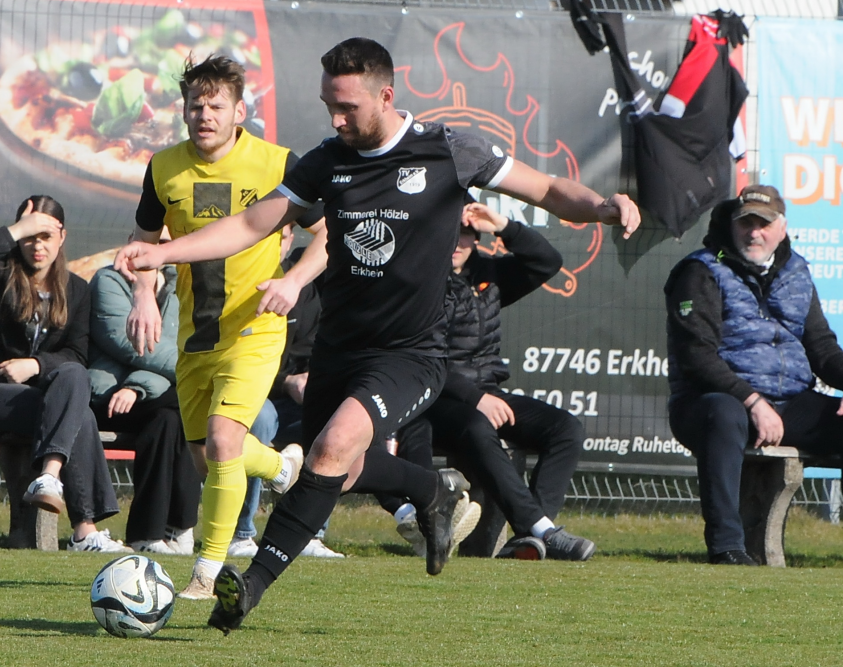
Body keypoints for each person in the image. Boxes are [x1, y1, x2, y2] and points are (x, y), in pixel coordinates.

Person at [115, 37, 639, 632]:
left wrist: (601, 206)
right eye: (328, 107)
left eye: (348, 108)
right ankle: (431, 491)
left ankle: (246, 589)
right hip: (340, 346)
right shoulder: (326, 159)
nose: (336, 120)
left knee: (331, 450)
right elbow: (251, 223)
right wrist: (162, 254)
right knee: (334, 469)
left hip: (412, 353)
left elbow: (544, 189)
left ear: (385, 96)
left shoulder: (449, 149)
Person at [123, 54, 320, 599]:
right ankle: (280, 467)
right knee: (208, 459)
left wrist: (294, 280)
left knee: (224, 439)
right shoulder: (164, 167)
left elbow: (328, 234)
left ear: (239, 111)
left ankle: (206, 573)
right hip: (196, 335)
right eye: (195, 105)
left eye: (215, 106)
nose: (204, 115)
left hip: (256, 328)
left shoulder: (278, 163)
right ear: (183, 110)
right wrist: (144, 296)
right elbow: (144, 244)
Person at [390, 200, 595, 562]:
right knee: (478, 424)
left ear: (477, 238)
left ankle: (531, 535)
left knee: (566, 429)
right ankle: (541, 529)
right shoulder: (417, 278)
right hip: (430, 396)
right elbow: (422, 357)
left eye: (465, 233)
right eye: (448, 233)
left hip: (485, 392)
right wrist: (475, 399)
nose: (456, 242)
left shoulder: (489, 274)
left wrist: (503, 224)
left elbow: (547, 261)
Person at [666, 184, 843, 565]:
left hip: (790, 403)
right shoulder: (700, 271)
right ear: (732, 225)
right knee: (725, 413)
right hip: (710, 404)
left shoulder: (797, 271)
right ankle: (727, 547)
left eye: (764, 224)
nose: (754, 233)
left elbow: (823, 349)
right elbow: (696, 356)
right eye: (746, 223)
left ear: (782, 227)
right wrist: (753, 401)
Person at [0, 195, 129, 553]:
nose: (37, 245)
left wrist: (37, 365)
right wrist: (15, 230)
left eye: (45, 236)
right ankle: (84, 531)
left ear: (62, 237)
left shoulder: (76, 290)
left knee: (75, 378)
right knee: (78, 416)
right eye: (30, 236)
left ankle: (49, 479)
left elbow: (76, 354)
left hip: (41, 395)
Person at [228, 224, 345, 560]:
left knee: (330, 422)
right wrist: (286, 382)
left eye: (282, 238)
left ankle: (309, 533)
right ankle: (241, 533)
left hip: (293, 397)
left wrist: (309, 380)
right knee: (260, 418)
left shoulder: (311, 289)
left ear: (291, 241)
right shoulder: (242, 282)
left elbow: (315, 351)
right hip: (250, 390)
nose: (275, 245)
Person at [87, 260, 200, 555]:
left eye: (165, 241)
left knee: (169, 420)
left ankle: (149, 535)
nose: (157, 249)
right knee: (193, 395)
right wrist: (195, 371)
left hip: (150, 396)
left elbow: (178, 344)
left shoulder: (179, 285)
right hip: (108, 394)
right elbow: (130, 342)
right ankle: (181, 524)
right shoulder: (108, 281)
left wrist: (139, 386)